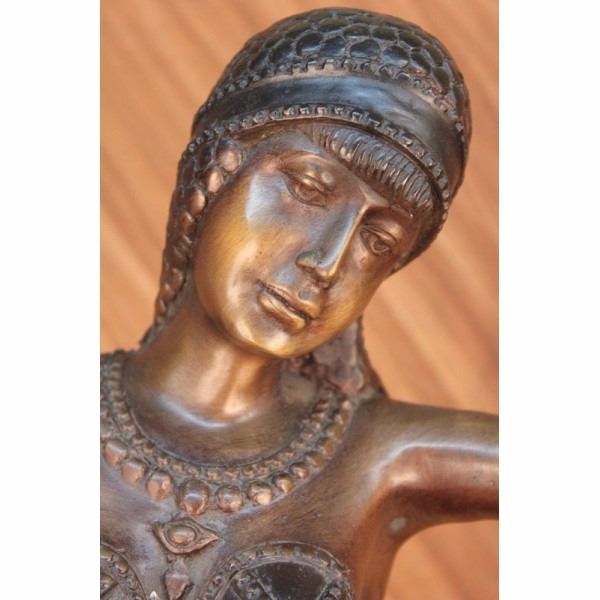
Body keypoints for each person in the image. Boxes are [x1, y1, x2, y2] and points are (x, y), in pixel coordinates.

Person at [101, 8, 498, 600]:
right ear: (218, 170)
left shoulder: (388, 460)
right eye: (309, 189)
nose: (328, 262)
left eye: (377, 242)